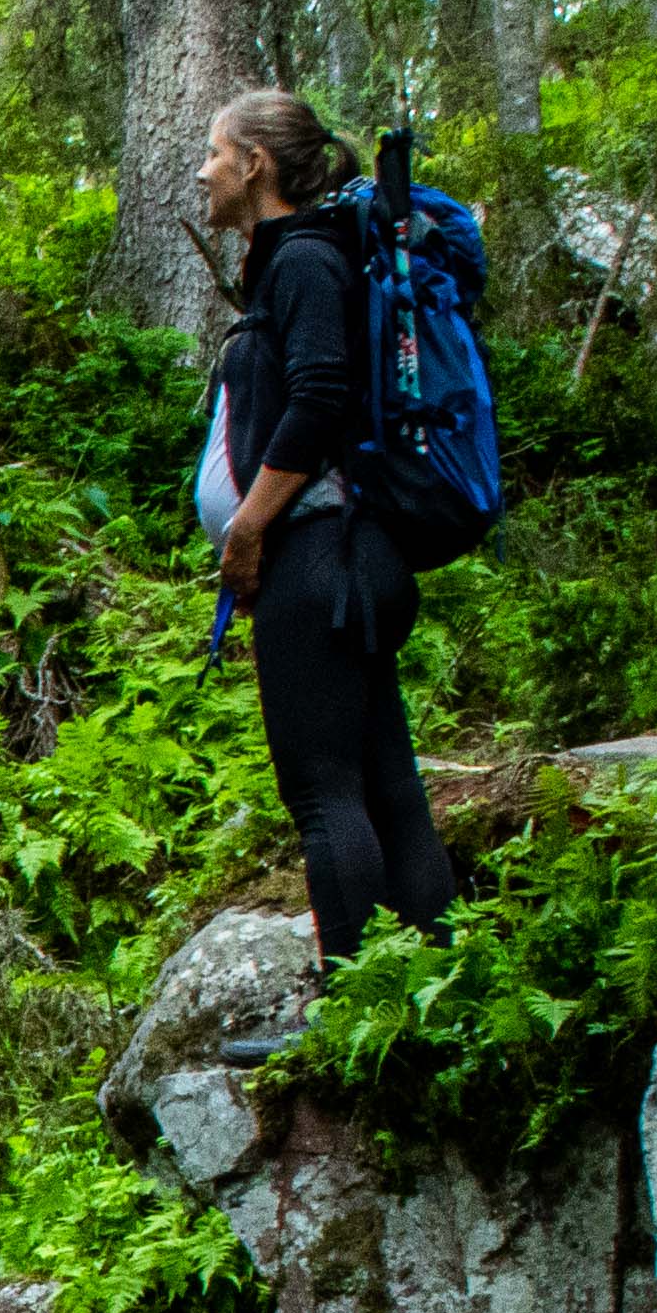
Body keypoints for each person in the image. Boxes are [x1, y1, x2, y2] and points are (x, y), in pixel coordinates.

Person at [193, 88, 458, 960]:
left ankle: (348, 1014)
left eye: (216, 153)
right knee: (390, 788)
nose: (204, 170)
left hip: (318, 562)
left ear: (255, 165)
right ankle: (425, 1001)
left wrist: (248, 531)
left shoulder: (303, 259)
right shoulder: (320, 257)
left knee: (324, 795)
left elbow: (318, 398)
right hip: (358, 556)